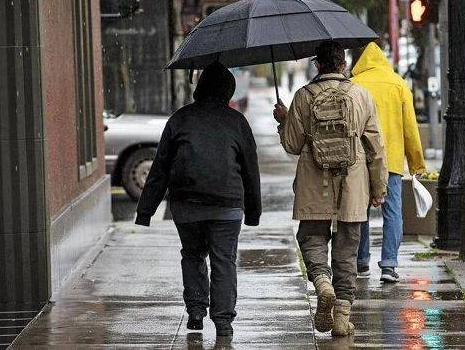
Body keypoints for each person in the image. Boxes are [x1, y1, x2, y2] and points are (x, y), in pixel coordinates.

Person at [135, 62, 261, 339]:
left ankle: (195, 311)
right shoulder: (237, 122)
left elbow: (160, 169)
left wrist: (146, 211)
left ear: (200, 87)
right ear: (229, 89)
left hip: (187, 204)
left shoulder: (180, 119)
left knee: (192, 255)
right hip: (227, 206)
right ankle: (224, 321)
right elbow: (251, 170)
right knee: (224, 260)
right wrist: (253, 212)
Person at [273, 41, 387, 336]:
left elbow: (292, 144)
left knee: (312, 238)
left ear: (317, 65)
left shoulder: (304, 96)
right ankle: (341, 318)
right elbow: (375, 148)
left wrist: (285, 121)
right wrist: (379, 189)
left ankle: (323, 284)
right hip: (353, 182)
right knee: (348, 248)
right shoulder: (361, 95)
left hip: (314, 180)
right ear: (343, 64)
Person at [351, 42, 426, 283]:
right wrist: (416, 164)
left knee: (358, 211)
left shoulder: (354, 85)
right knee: (392, 212)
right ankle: (389, 265)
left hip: (360, 159)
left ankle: (361, 261)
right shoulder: (398, 84)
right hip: (391, 161)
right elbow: (409, 128)